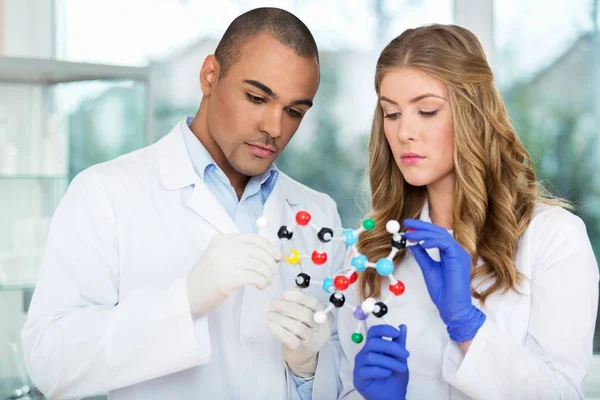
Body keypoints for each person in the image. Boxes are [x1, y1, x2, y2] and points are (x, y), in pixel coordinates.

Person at [21, 7, 345, 400]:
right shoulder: (105, 193)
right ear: (210, 75)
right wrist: (184, 299)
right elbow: (50, 364)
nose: (274, 128)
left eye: (294, 111)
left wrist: (308, 372)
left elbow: (342, 376)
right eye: (257, 98)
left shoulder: (318, 213)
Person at [336, 24, 599, 399]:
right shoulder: (371, 252)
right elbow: (348, 385)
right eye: (391, 114)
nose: (404, 132)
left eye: (426, 111)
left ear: (473, 113)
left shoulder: (552, 238)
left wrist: (467, 326)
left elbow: (563, 394)